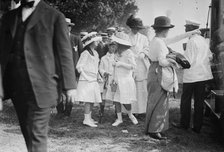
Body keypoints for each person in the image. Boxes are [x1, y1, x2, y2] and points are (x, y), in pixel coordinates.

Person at [0, 0, 77, 152]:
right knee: (29, 133)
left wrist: (70, 86)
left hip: (42, 87)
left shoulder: (55, 16)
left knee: (36, 135)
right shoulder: (8, 17)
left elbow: (64, 53)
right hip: (15, 89)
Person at [145, 16, 201, 140]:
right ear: (163, 30)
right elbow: (162, 62)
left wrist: (190, 33)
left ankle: (152, 128)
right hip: (158, 72)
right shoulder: (159, 42)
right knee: (160, 101)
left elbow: (175, 38)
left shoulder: (157, 40)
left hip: (154, 71)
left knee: (155, 100)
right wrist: (174, 62)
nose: (168, 31)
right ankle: (154, 130)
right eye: (168, 29)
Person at [172, 20, 213, 134]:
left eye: (186, 27)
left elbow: (188, 61)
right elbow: (210, 57)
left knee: (186, 101)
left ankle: (184, 124)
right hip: (202, 76)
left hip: (191, 76)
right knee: (199, 101)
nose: (185, 30)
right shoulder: (203, 40)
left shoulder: (191, 41)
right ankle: (197, 127)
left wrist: (177, 62)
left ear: (191, 28)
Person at [110, 32, 138, 126]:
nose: (116, 44)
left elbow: (133, 66)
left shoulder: (129, 53)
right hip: (117, 79)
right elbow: (114, 67)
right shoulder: (116, 53)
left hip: (126, 80)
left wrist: (121, 64)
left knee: (126, 100)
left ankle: (131, 115)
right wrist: (113, 78)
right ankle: (119, 119)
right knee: (117, 100)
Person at [56, 18, 82, 118]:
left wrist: (78, 69)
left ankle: (67, 113)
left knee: (70, 93)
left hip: (72, 71)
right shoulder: (56, 39)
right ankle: (59, 111)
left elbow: (81, 54)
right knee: (58, 91)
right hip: (58, 70)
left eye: (67, 26)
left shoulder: (76, 39)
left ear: (70, 28)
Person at [76, 32, 102, 127]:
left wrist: (98, 77)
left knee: (91, 100)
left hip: (93, 79)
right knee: (88, 100)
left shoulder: (95, 53)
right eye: (96, 41)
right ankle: (86, 120)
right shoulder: (85, 53)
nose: (98, 42)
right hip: (86, 80)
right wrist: (86, 77)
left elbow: (96, 67)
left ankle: (89, 118)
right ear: (91, 42)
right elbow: (79, 67)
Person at [126, 15, 150, 115]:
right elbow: (124, 49)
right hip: (129, 64)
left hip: (141, 65)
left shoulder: (144, 38)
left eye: (138, 28)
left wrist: (143, 53)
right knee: (130, 88)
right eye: (135, 28)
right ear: (131, 27)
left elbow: (147, 48)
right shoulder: (126, 37)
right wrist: (131, 55)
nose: (137, 30)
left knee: (141, 89)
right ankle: (130, 111)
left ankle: (141, 110)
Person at [98, 41, 117, 122]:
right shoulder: (103, 58)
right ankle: (101, 112)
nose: (113, 49)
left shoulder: (116, 57)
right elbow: (100, 68)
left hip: (113, 79)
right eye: (112, 47)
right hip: (106, 79)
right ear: (108, 47)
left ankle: (117, 112)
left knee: (115, 95)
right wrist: (104, 73)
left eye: (115, 47)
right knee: (103, 96)